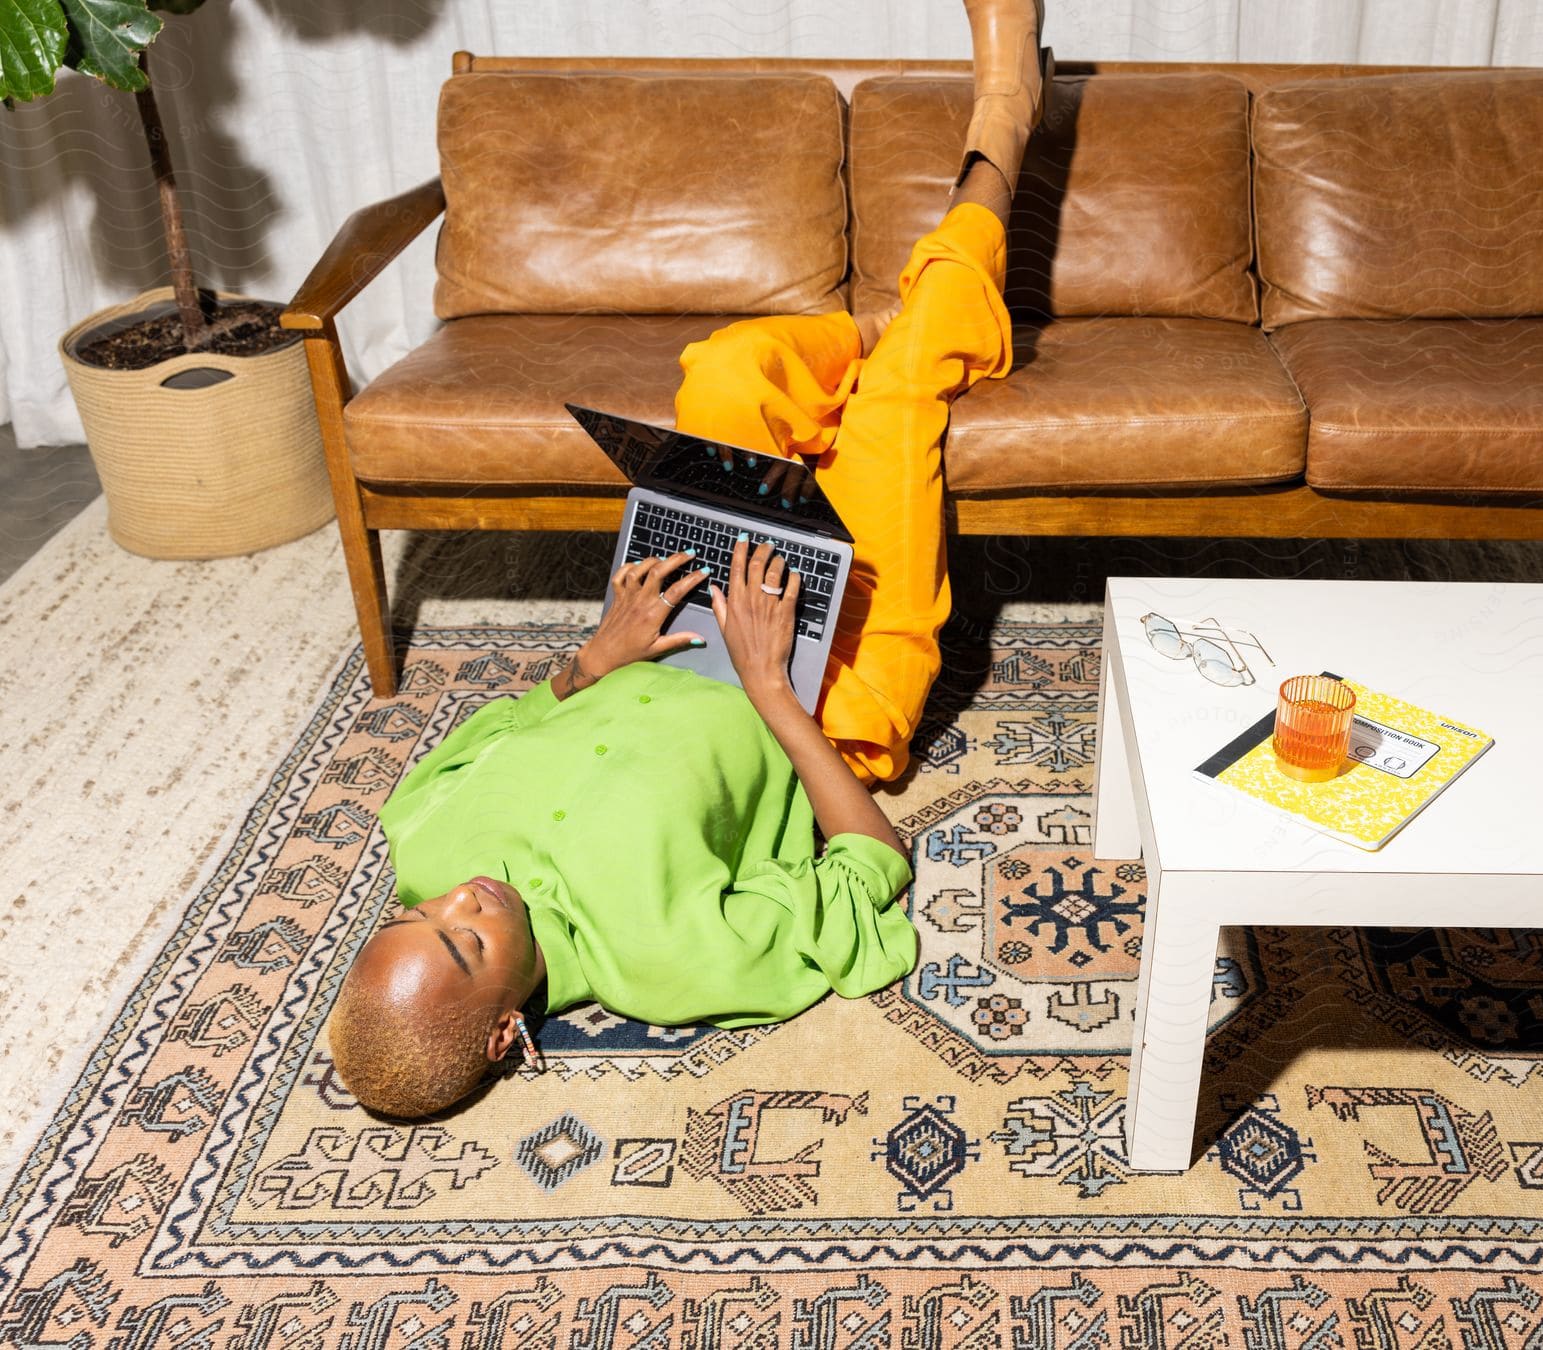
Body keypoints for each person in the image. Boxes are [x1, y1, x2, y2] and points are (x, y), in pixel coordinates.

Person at [327, 0, 1051, 1118]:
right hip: (830, 688)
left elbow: (506, 725)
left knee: (721, 374)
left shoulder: (420, 836)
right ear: (511, 1031)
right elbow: (872, 873)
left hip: (697, 604)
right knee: (908, 398)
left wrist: (590, 660)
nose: (458, 898)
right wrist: (773, 686)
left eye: (418, 916)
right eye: (464, 942)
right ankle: (1001, 128)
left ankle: (884, 325)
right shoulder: (672, 961)